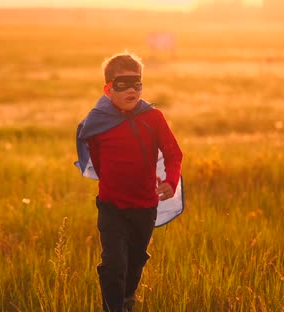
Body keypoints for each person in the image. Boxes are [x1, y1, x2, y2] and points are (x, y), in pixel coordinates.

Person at [75, 52, 183, 312]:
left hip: (145, 206)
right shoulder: (98, 122)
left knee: (136, 261)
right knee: (113, 264)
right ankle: (113, 307)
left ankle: (126, 300)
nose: (132, 90)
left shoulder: (153, 118)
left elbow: (173, 153)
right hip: (111, 207)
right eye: (123, 84)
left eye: (137, 83)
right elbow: (97, 160)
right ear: (108, 89)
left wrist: (170, 180)